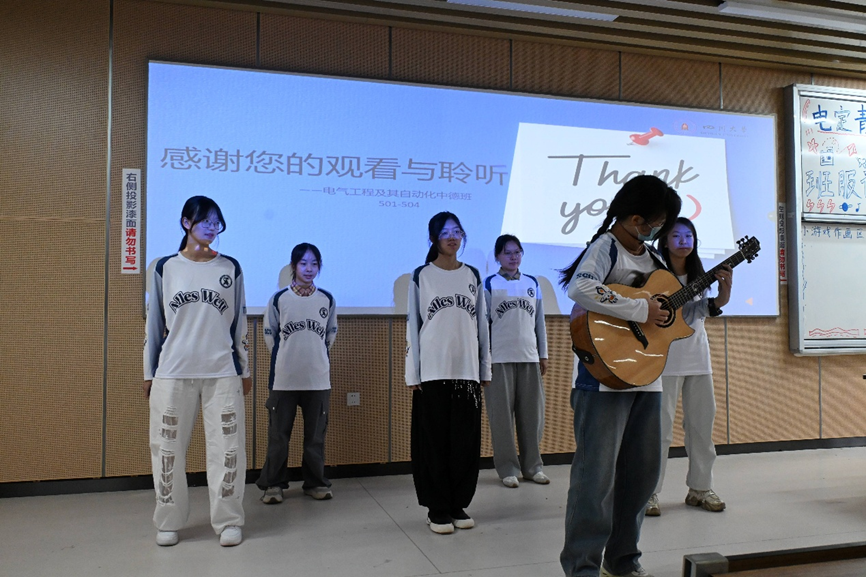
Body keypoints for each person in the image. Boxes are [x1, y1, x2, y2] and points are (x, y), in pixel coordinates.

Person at [559, 175, 686, 577]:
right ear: (634, 218)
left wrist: (708, 300)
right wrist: (639, 309)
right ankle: (582, 565)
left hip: (647, 377)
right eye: (656, 222)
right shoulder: (605, 247)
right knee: (595, 479)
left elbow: (670, 314)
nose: (658, 230)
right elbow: (581, 288)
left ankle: (623, 558)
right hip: (603, 379)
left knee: (641, 475)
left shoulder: (654, 260)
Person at [143, 195, 251, 548]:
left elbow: (240, 323)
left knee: (228, 448)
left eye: (216, 222)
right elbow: (154, 324)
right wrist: (149, 372)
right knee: (167, 449)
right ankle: (169, 520)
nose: (211, 227)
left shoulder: (230, 267)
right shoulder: (165, 267)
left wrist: (244, 369)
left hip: (222, 371)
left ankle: (229, 520)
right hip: (173, 372)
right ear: (186, 222)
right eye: (205, 220)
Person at [406, 212, 492, 535]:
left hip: (467, 373)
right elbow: (413, 326)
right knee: (434, 443)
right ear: (433, 238)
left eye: (457, 231)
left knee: (464, 443)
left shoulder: (472, 275)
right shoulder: (422, 276)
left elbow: (482, 325)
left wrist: (484, 367)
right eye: (445, 232)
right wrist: (413, 373)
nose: (452, 237)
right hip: (433, 372)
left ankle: (458, 504)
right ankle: (437, 508)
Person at [645, 217, 732, 516]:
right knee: (659, 432)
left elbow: (701, 310)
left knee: (701, 427)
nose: (683, 241)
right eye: (676, 236)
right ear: (664, 241)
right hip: (662, 360)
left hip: (697, 359)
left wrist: (724, 294)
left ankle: (701, 488)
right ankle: (649, 493)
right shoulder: (653, 274)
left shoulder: (699, 277)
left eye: (689, 236)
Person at [256, 243, 337, 504]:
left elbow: (330, 334)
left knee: (315, 437)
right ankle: (273, 485)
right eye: (303, 263)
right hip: (284, 380)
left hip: (318, 379)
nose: (309, 269)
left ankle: (315, 483)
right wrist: (288, 357)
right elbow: (270, 335)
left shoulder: (327, 299)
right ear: (294, 266)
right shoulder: (279, 299)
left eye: (314, 264)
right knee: (279, 437)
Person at [483, 234, 550, 489]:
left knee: (532, 417)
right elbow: (483, 326)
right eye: (508, 252)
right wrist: (484, 359)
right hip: (499, 359)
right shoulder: (490, 284)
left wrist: (543, 354)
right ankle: (508, 468)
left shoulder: (532, 283)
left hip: (529, 357)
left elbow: (539, 322)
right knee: (501, 419)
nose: (513, 257)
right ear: (498, 256)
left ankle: (533, 467)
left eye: (517, 252)